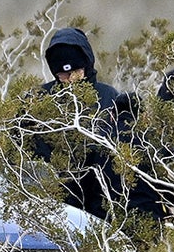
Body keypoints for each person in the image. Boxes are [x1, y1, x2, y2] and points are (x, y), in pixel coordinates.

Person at [31, 27, 166, 223]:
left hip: (100, 200)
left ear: (86, 65)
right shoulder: (39, 101)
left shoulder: (107, 96)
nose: (71, 80)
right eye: (63, 75)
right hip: (57, 198)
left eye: (77, 71)